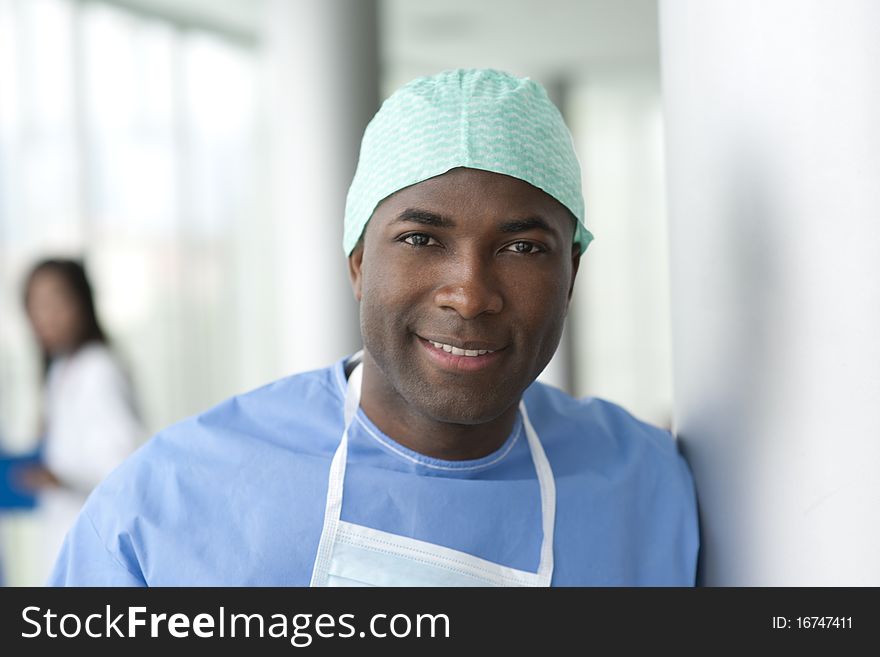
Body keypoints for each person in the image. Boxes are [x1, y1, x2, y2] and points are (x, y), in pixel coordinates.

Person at [48, 69, 698, 586]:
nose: (470, 294)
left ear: (573, 271)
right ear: (360, 262)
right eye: (421, 238)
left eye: (523, 247)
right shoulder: (167, 503)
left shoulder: (651, 489)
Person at [18, 258, 143, 581]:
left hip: (96, 550)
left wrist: (59, 478)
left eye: (55, 302)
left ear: (83, 301)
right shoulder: (61, 369)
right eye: (34, 305)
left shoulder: (100, 369)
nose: (44, 316)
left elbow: (125, 468)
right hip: (64, 538)